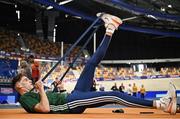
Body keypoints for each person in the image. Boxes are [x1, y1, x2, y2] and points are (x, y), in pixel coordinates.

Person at [12, 13, 177, 115]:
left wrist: (58, 88)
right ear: (19, 86)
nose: (28, 80)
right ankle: (160, 104)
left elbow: (50, 99)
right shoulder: (25, 99)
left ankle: (110, 29)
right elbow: (46, 109)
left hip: (72, 95)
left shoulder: (31, 92)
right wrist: (41, 89)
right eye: (24, 80)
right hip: (71, 104)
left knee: (91, 64)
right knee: (115, 96)